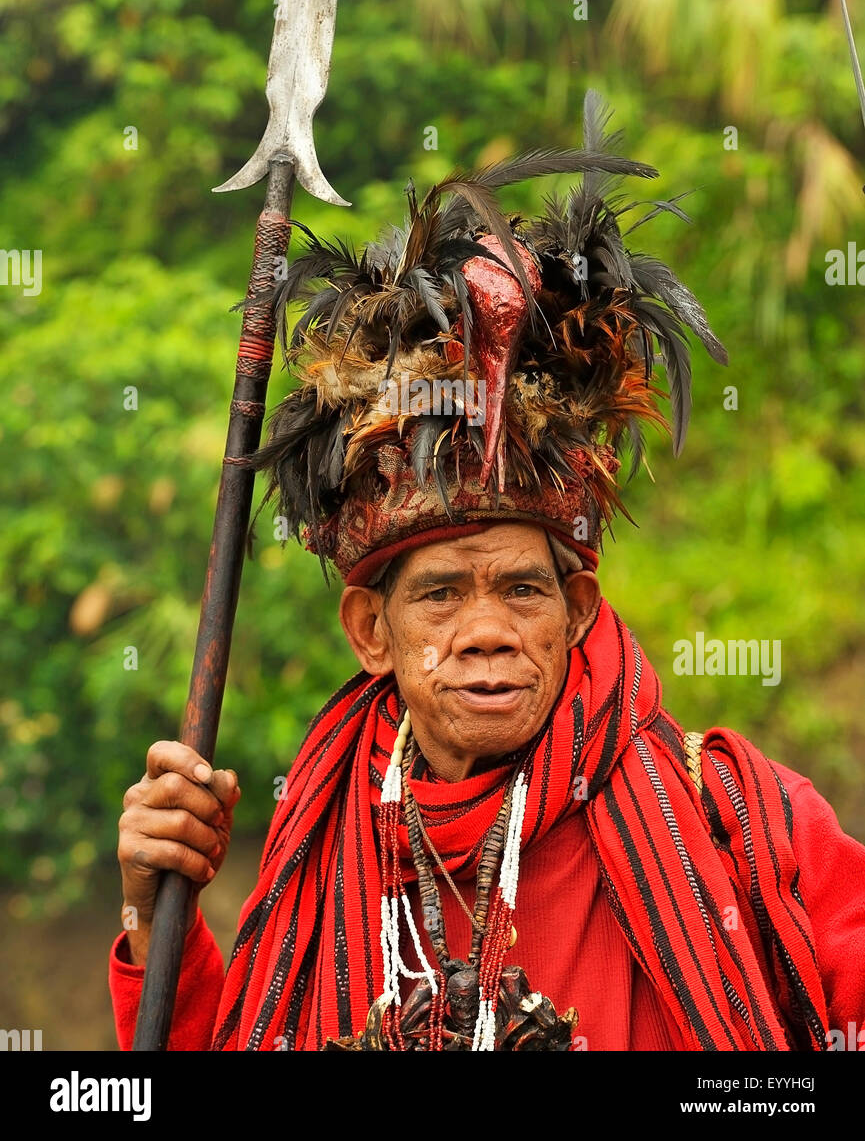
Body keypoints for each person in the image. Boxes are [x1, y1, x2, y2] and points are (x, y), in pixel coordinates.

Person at [110, 93, 865, 1051]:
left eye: (521, 588)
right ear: (369, 633)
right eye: (438, 594)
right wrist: (152, 915)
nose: (486, 630)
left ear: (577, 611)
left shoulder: (742, 824)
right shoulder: (322, 842)